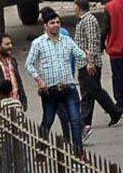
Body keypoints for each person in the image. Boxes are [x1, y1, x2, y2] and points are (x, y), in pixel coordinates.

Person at [25, 8, 86, 154]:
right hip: (49, 90)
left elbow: (80, 54)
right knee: (47, 121)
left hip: (68, 88)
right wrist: (39, 81)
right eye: (52, 23)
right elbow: (29, 64)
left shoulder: (67, 41)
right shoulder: (38, 43)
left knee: (75, 121)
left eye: (58, 22)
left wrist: (88, 59)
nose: (56, 25)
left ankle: (78, 153)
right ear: (45, 26)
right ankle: (41, 151)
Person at [73, 0, 123, 142]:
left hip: (89, 63)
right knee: (87, 93)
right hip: (84, 63)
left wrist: (90, 62)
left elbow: (93, 42)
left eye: (74, 6)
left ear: (79, 7)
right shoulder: (85, 20)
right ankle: (85, 121)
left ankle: (115, 112)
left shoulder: (89, 21)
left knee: (94, 90)